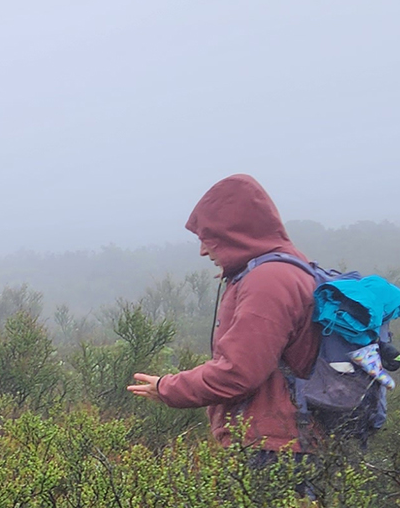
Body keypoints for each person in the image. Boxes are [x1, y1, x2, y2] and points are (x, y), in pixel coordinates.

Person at [124, 173, 320, 459]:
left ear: (237, 233)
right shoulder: (283, 270)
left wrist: (167, 388)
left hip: (273, 447)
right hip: (282, 440)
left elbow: (239, 372)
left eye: (210, 238)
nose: (203, 251)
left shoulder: (269, 280)